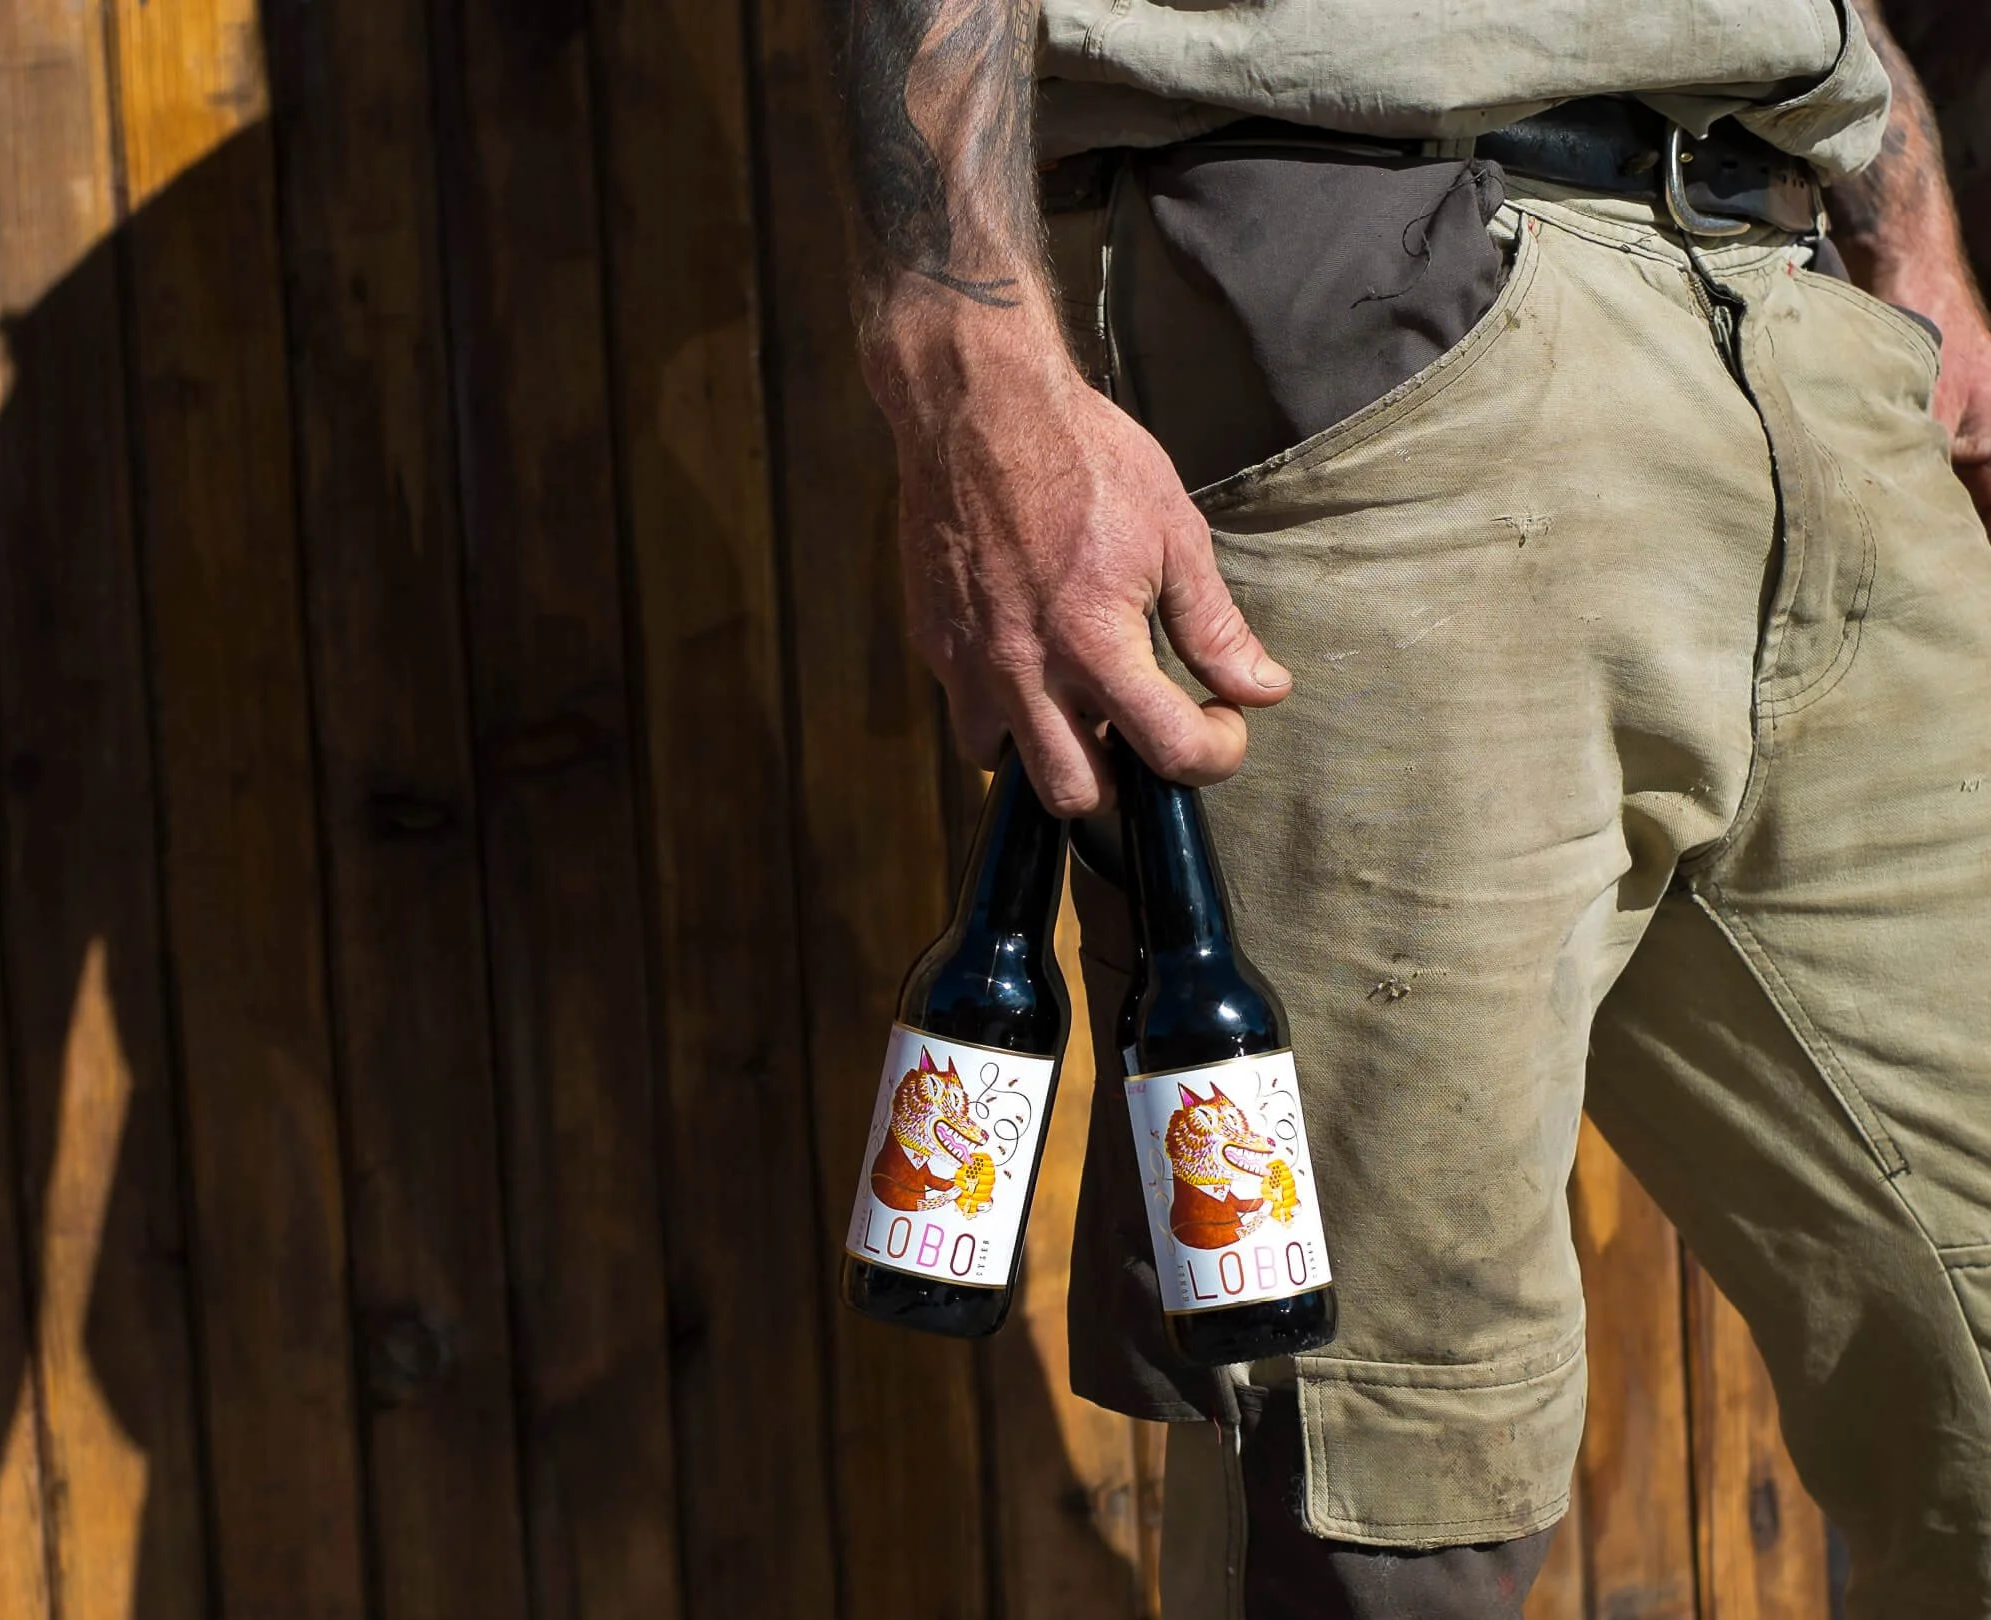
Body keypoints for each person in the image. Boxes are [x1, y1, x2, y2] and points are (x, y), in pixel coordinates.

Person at [830, 0, 1991, 1613]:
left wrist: (1903, 212)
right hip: (1372, 305)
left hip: (1806, 308)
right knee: (1389, 1490)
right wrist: (964, 347)